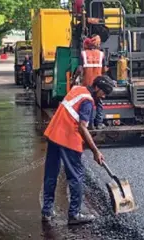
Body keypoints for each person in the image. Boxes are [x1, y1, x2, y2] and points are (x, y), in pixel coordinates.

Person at [41, 75, 114, 225]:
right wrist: (95, 151)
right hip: (67, 138)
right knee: (76, 176)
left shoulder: (77, 89)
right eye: (104, 93)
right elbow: (82, 127)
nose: (104, 96)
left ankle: (47, 211)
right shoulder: (87, 101)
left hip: (54, 134)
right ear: (97, 88)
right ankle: (74, 214)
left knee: (51, 173)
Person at [75, 36, 108, 129]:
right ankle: (99, 123)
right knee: (99, 103)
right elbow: (105, 69)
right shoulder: (101, 54)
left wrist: (74, 78)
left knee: (89, 104)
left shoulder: (83, 54)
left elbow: (79, 69)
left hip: (87, 85)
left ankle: (90, 124)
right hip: (99, 84)